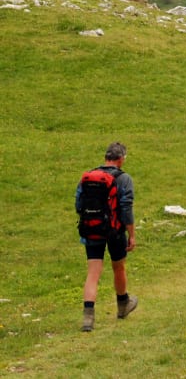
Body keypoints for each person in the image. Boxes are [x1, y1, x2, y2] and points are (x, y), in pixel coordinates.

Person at [75, 142, 137, 332]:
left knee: (93, 272)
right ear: (121, 159)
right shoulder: (124, 178)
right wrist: (131, 234)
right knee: (118, 267)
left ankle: (88, 319)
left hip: (92, 229)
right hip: (114, 231)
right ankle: (122, 305)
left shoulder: (88, 177)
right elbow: (126, 209)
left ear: (105, 157)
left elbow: (78, 204)